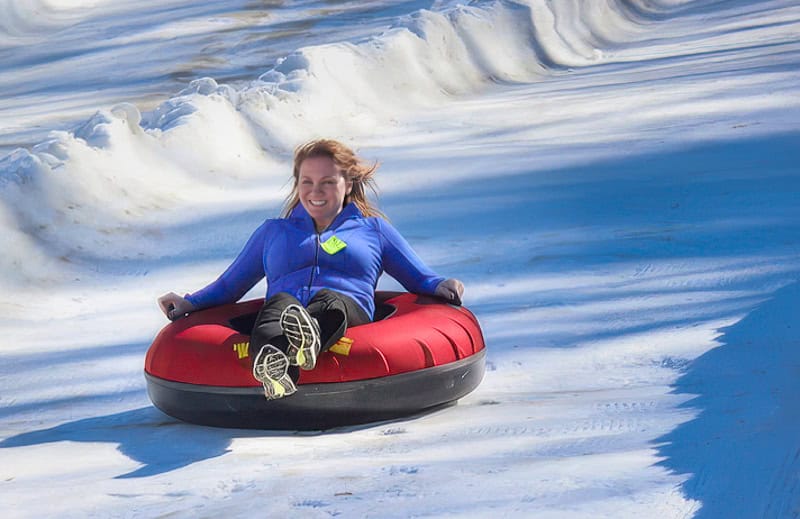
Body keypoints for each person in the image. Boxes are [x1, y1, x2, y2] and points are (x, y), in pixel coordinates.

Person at [157, 139, 464, 400]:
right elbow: (229, 286)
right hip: (286, 312)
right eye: (307, 182)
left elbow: (418, 276)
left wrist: (441, 285)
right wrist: (189, 303)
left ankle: (310, 336)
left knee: (331, 300)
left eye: (328, 182)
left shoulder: (374, 231)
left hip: (346, 313)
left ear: (348, 184)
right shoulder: (273, 232)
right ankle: (279, 371)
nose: (316, 191)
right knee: (277, 305)